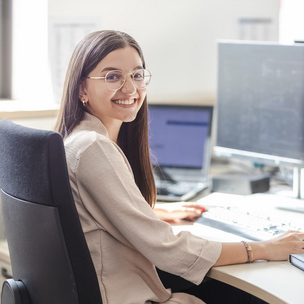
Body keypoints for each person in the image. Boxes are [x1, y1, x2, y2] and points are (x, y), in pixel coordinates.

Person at [55, 30, 304, 304]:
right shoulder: (94, 148)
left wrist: (153, 213)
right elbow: (171, 252)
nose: (130, 88)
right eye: (113, 76)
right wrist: (263, 248)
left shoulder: (77, 140)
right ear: (82, 89)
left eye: (137, 75)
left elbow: (95, 219)